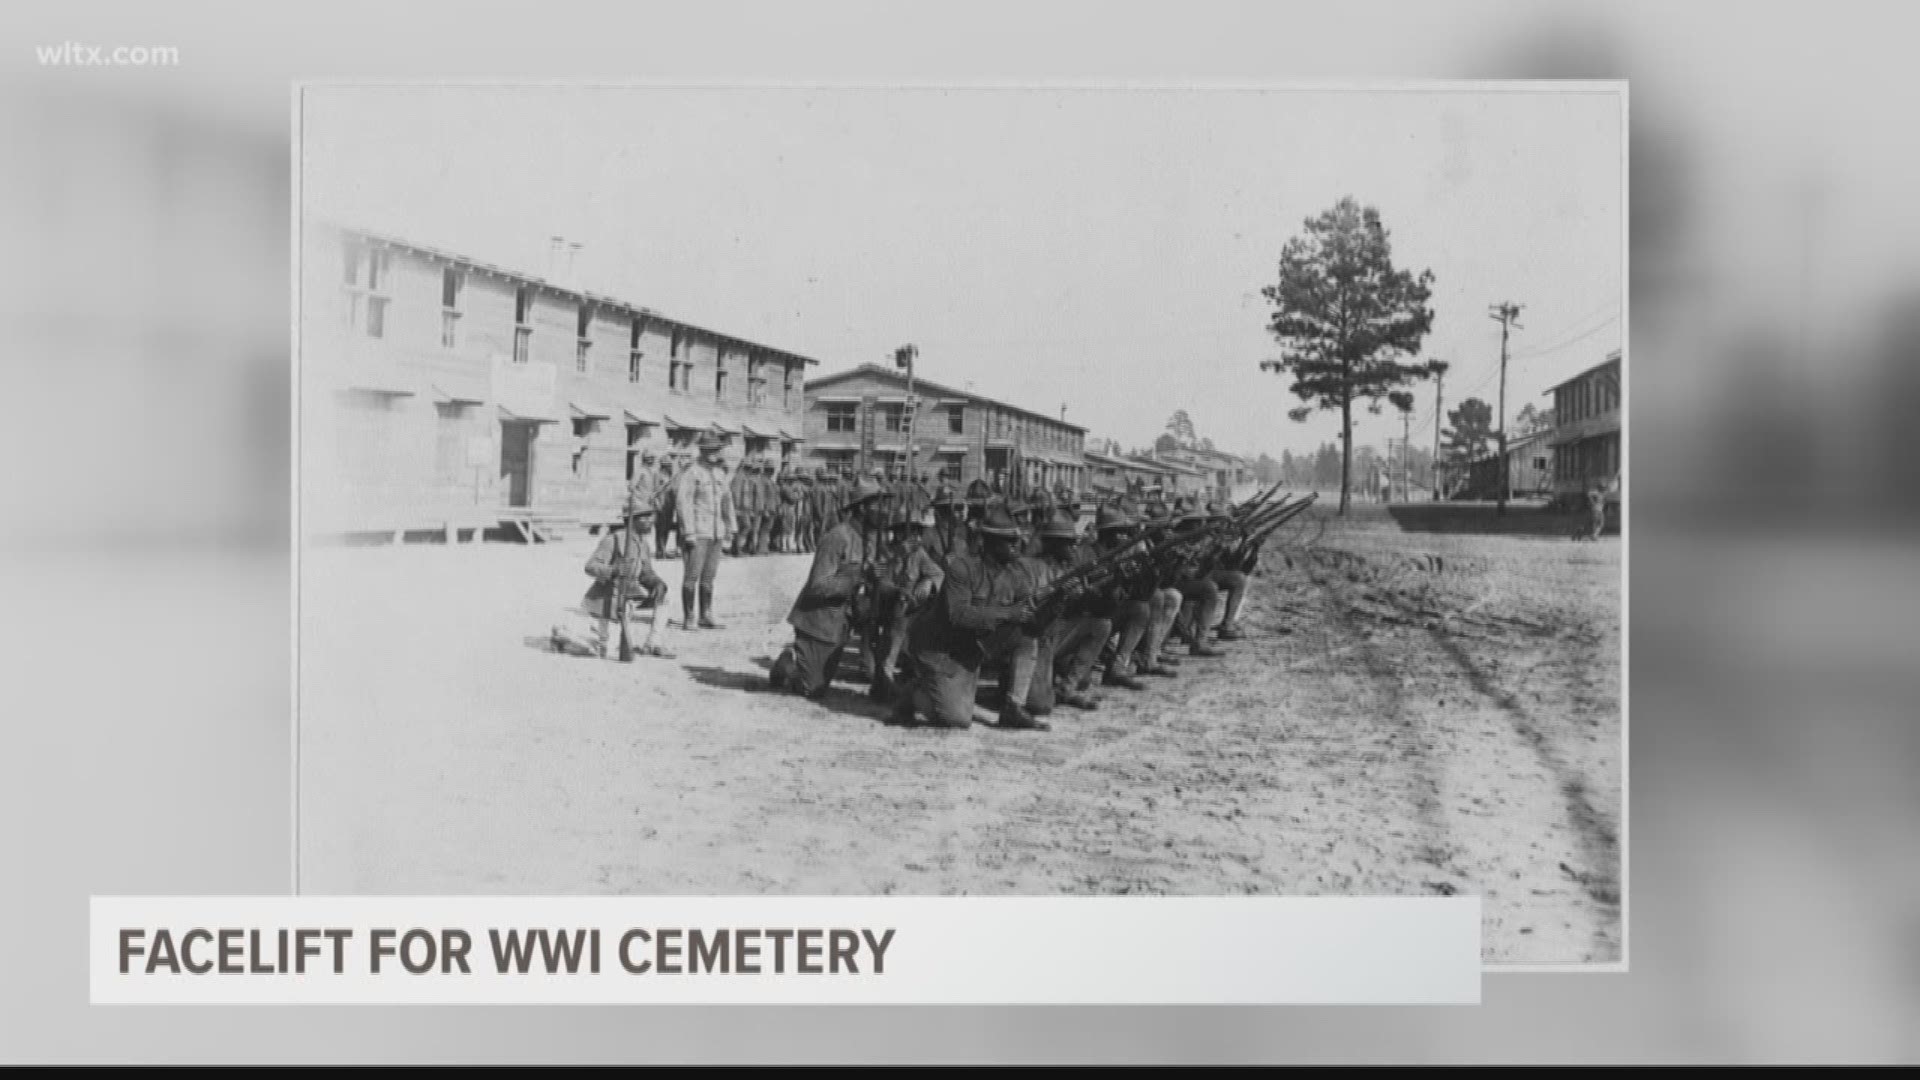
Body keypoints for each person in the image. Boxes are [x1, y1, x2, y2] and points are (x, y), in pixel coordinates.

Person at [893, 503, 1043, 731]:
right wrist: (1008, 613)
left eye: (1017, 539)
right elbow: (958, 614)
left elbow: (1031, 616)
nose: (1017, 545)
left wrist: (1058, 603)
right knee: (957, 719)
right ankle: (915, 692)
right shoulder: (962, 568)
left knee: (1027, 637)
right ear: (991, 543)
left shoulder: (1015, 574)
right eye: (1009, 541)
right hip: (938, 650)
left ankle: (1013, 706)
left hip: (972, 648)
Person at [769, 478, 890, 699]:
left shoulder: (870, 539)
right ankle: (787, 665)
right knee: (812, 689)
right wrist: (860, 576)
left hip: (842, 623)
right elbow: (818, 586)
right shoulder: (837, 537)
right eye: (878, 505)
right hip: (818, 623)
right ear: (862, 508)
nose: (884, 511)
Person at [550, 500, 675, 661]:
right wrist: (613, 570)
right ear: (630, 520)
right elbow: (590, 566)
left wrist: (657, 582)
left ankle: (652, 643)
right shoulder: (613, 540)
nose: (649, 520)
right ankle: (563, 636)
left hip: (630, 596)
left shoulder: (643, 543)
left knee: (666, 596)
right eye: (643, 517)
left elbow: (646, 573)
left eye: (650, 516)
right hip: (609, 600)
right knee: (603, 651)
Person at [673, 433, 735, 630]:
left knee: (709, 577)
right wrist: (688, 532)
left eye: (718, 449)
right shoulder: (692, 473)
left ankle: (706, 614)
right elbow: (684, 503)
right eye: (714, 450)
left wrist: (730, 528)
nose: (717, 453)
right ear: (705, 451)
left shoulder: (719, 474)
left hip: (716, 532)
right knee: (692, 576)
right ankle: (689, 616)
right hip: (698, 532)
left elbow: (727, 502)